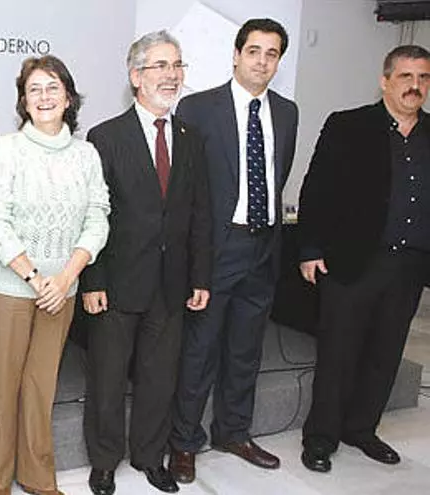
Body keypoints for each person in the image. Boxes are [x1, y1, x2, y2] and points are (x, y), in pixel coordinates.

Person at [79, 31, 211, 495]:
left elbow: (199, 213)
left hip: (172, 284)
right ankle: (104, 462)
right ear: (136, 76)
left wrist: (200, 276)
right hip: (116, 282)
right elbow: (92, 217)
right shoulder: (105, 137)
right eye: (160, 65)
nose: (171, 75)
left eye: (177, 65)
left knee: (160, 378)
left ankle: (150, 457)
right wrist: (92, 280)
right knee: (108, 379)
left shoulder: (192, 139)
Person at [169, 18, 298, 483]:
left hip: (263, 248)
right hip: (215, 250)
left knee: (246, 351)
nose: (262, 61)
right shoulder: (198, 108)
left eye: (271, 54)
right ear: (236, 55)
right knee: (199, 351)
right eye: (254, 51)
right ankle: (184, 442)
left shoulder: (287, 112)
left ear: (278, 62)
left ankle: (233, 432)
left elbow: (278, 177)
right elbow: (186, 189)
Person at [0, 55, 110, 495]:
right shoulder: (6, 149)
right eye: (34, 89)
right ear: (23, 100)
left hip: (63, 289)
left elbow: (98, 218)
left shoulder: (86, 155)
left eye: (53, 87)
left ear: (68, 98)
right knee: (6, 387)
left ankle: (38, 477)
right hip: (10, 288)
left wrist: (67, 277)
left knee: (41, 386)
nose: (44, 97)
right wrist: (36, 279)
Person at [298, 45, 430, 473]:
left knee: (385, 354)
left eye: (423, 77)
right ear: (385, 80)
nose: (415, 86)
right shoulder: (348, 125)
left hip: (409, 266)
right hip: (353, 261)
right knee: (338, 354)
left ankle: (361, 429)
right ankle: (321, 439)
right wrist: (310, 249)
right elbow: (316, 189)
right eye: (406, 76)